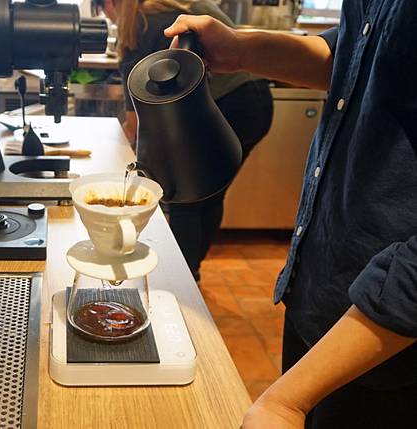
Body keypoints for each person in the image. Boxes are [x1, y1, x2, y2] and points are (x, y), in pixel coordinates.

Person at [164, 1, 417, 428]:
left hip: (391, 341)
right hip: (323, 290)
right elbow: (354, 55)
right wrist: (242, 49)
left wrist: (286, 401)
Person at [94, 0, 274, 279]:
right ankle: (192, 272)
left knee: (183, 198)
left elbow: (134, 123)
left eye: (103, 11)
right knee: (210, 192)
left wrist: (119, 154)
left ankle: (181, 280)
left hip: (226, 105)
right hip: (258, 103)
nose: (109, 17)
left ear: (110, 3)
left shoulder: (136, 27)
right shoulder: (181, 8)